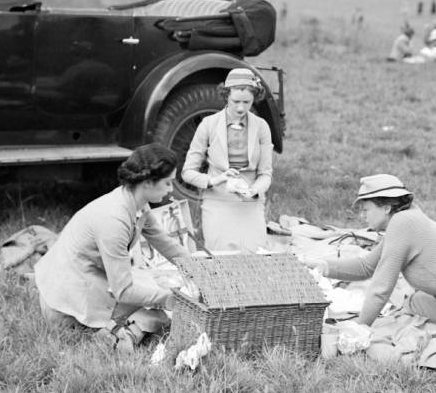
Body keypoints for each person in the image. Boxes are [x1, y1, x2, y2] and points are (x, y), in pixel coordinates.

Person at [302, 174, 436, 334]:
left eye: (366, 209)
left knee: (413, 304)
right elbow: (366, 267)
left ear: (386, 207)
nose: (362, 216)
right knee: (417, 300)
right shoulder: (407, 218)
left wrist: (360, 328)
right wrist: (322, 266)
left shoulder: (402, 224)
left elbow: (380, 288)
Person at [34, 144, 191, 352]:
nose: (171, 190)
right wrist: (170, 300)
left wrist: (198, 269)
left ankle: (123, 329)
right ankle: (115, 334)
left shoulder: (135, 201)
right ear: (147, 183)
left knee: (153, 289)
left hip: (86, 277)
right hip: (65, 305)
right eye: (168, 183)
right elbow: (124, 291)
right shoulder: (114, 220)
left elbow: (163, 241)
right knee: (158, 309)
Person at [181, 67, 273, 251]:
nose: (240, 108)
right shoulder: (208, 124)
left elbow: (265, 174)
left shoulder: (261, 126)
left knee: (255, 256)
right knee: (221, 258)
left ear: (254, 98)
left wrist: (254, 190)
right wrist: (216, 180)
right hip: (217, 200)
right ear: (226, 96)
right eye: (235, 101)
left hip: (250, 203)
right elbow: (187, 173)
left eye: (246, 102)